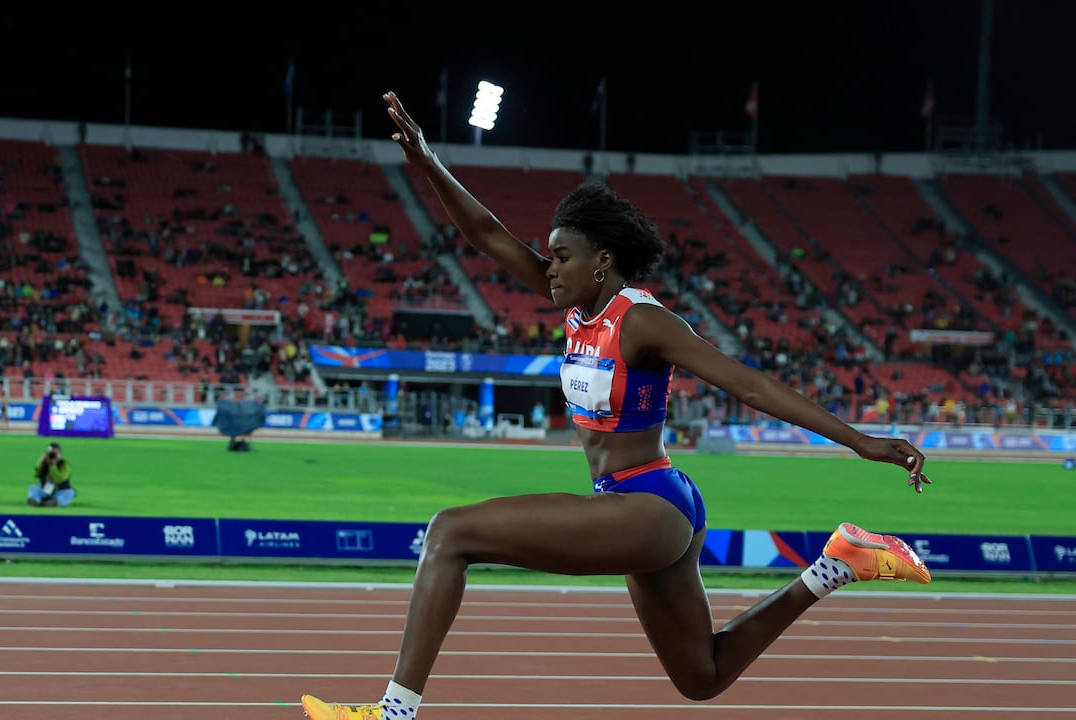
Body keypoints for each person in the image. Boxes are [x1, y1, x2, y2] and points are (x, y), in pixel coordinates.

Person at [299, 92, 934, 720]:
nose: (548, 267)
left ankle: (395, 712)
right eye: (548, 256)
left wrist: (862, 441)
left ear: (602, 262)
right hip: (636, 506)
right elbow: (485, 234)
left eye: (562, 257)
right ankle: (834, 567)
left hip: (650, 504)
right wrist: (427, 159)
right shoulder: (575, 306)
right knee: (702, 676)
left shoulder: (644, 322)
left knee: (449, 532)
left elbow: (748, 385)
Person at [27, 442, 76, 507]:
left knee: (70, 492)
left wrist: (53, 465)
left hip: (59, 492)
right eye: (50, 453)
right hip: (44, 491)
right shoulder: (44, 463)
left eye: (55, 453)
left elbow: (60, 479)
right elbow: (35, 474)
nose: (52, 456)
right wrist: (40, 461)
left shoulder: (65, 465)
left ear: (60, 454)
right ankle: (36, 501)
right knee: (32, 488)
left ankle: (55, 502)